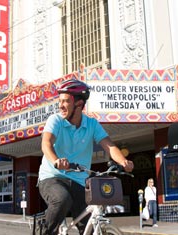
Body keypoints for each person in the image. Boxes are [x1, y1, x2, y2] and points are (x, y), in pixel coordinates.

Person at [38, 79, 134, 235]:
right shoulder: (55, 120)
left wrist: (123, 161)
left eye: (66, 101)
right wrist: (56, 160)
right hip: (52, 177)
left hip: (79, 181)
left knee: (89, 222)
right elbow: (46, 143)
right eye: (60, 101)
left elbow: (109, 146)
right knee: (62, 199)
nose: (60, 105)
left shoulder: (92, 124)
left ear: (79, 104)